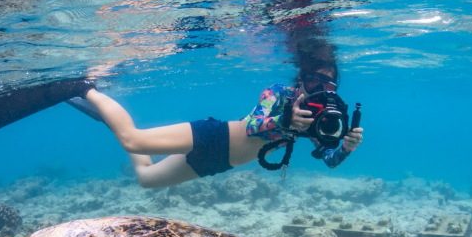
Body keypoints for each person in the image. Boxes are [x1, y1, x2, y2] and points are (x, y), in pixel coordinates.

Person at [72, 44, 364, 188]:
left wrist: (346, 149)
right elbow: (252, 126)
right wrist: (284, 120)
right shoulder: (279, 93)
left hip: (221, 161)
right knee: (134, 141)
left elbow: (329, 161)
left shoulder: (323, 114)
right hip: (216, 135)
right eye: (315, 81)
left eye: (329, 84)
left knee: (147, 179)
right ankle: (84, 88)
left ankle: (106, 116)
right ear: (301, 79)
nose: (322, 90)